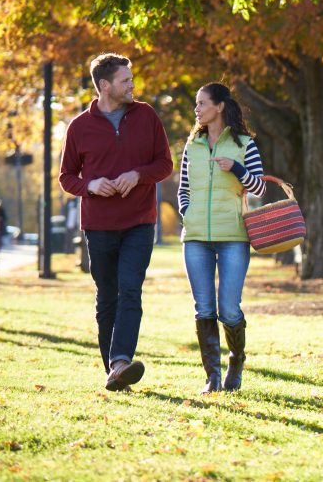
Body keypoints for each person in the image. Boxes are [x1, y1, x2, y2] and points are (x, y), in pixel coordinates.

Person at [58, 53, 173, 391]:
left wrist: (138, 175)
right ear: (105, 85)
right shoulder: (80, 127)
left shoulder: (147, 116)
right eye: (125, 80)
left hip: (139, 221)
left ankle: (121, 359)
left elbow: (164, 164)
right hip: (98, 225)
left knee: (129, 290)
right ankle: (113, 369)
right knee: (107, 294)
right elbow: (66, 177)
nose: (132, 85)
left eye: (131, 78)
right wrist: (89, 186)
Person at [177, 83, 265, 394]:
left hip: (233, 236)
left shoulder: (243, 144)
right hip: (196, 236)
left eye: (202, 103)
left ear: (219, 107)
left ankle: (236, 361)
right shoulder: (193, 145)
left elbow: (259, 188)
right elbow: (183, 188)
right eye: (196, 104)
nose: (197, 109)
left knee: (228, 308)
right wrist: (186, 213)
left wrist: (238, 169)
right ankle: (211, 377)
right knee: (204, 308)